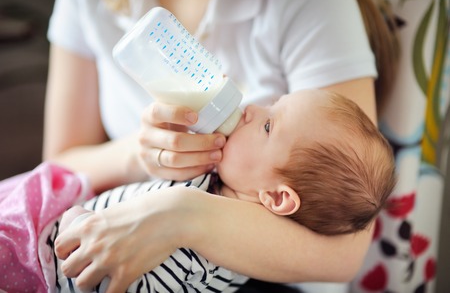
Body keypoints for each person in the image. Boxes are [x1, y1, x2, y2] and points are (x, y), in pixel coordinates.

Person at [41, 0, 399, 292]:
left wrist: (182, 213)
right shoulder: (88, 0)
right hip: (87, 232)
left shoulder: (311, 3)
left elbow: (345, 251)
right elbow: (56, 168)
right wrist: (140, 155)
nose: (251, 109)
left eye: (269, 124)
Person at [0, 89, 395, 292]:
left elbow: (104, 280)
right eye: (273, 104)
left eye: (269, 126)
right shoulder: (224, 181)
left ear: (277, 197)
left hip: (41, 263)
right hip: (44, 216)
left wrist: (78, 220)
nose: (253, 109)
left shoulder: (202, 262)